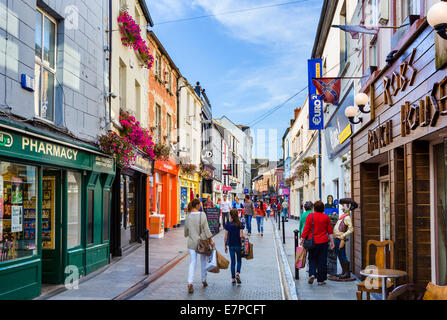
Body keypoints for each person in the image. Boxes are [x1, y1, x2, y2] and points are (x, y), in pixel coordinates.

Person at [184, 199, 215, 294]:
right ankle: (204, 280)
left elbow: (186, 232)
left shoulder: (188, 216)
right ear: (197, 205)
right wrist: (211, 240)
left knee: (192, 262)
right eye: (200, 205)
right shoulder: (202, 215)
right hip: (202, 242)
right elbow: (206, 229)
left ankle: (190, 283)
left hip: (192, 243)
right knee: (203, 261)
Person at [300, 200, 335, 285]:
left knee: (312, 258)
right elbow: (330, 231)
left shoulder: (310, 216)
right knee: (322, 260)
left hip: (313, 241)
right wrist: (332, 241)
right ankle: (321, 280)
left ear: (314, 208)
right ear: (323, 208)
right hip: (323, 242)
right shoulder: (326, 217)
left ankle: (312, 274)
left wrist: (302, 239)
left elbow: (306, 229)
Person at [331, 198, 356, 280]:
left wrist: (343, 235)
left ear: (348, 206)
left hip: (341, 239)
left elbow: (351, 229)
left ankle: (346, 272)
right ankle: (343, 271)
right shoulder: (343, 217)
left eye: (343, 206)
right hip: (337, 238)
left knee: (342, 255)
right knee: (339, 255)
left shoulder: (347, 217)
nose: (342, 208)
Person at [224, 209, 245, 285]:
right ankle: (237, 274)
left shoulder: (228, 224)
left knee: (233, 262)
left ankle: (233, 279)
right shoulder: (240, 224)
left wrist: (225, 245)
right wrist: (244, 237)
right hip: (238, 245)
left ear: (230, 215)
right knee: (239, 260)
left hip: (231, 245)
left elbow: (226, 236)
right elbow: (241, 235)